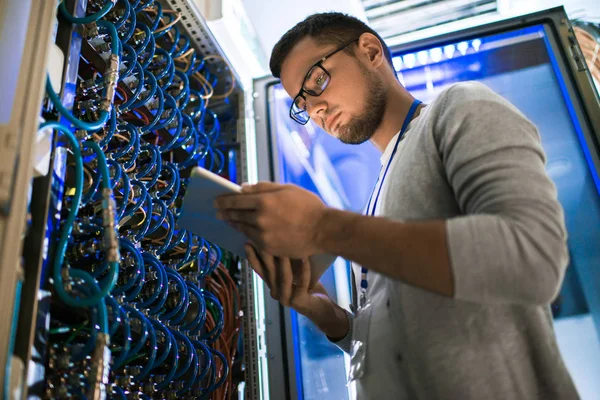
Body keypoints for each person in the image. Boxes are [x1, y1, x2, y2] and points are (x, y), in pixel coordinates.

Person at [214, 12, 580, 400]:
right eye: (301, 103)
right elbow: (396, 343)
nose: (315, 109)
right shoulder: (376, 197)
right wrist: (327, 314)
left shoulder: (459, 107)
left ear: (370, 51)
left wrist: (324, 227)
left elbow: (532, 256)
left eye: (317, 80)